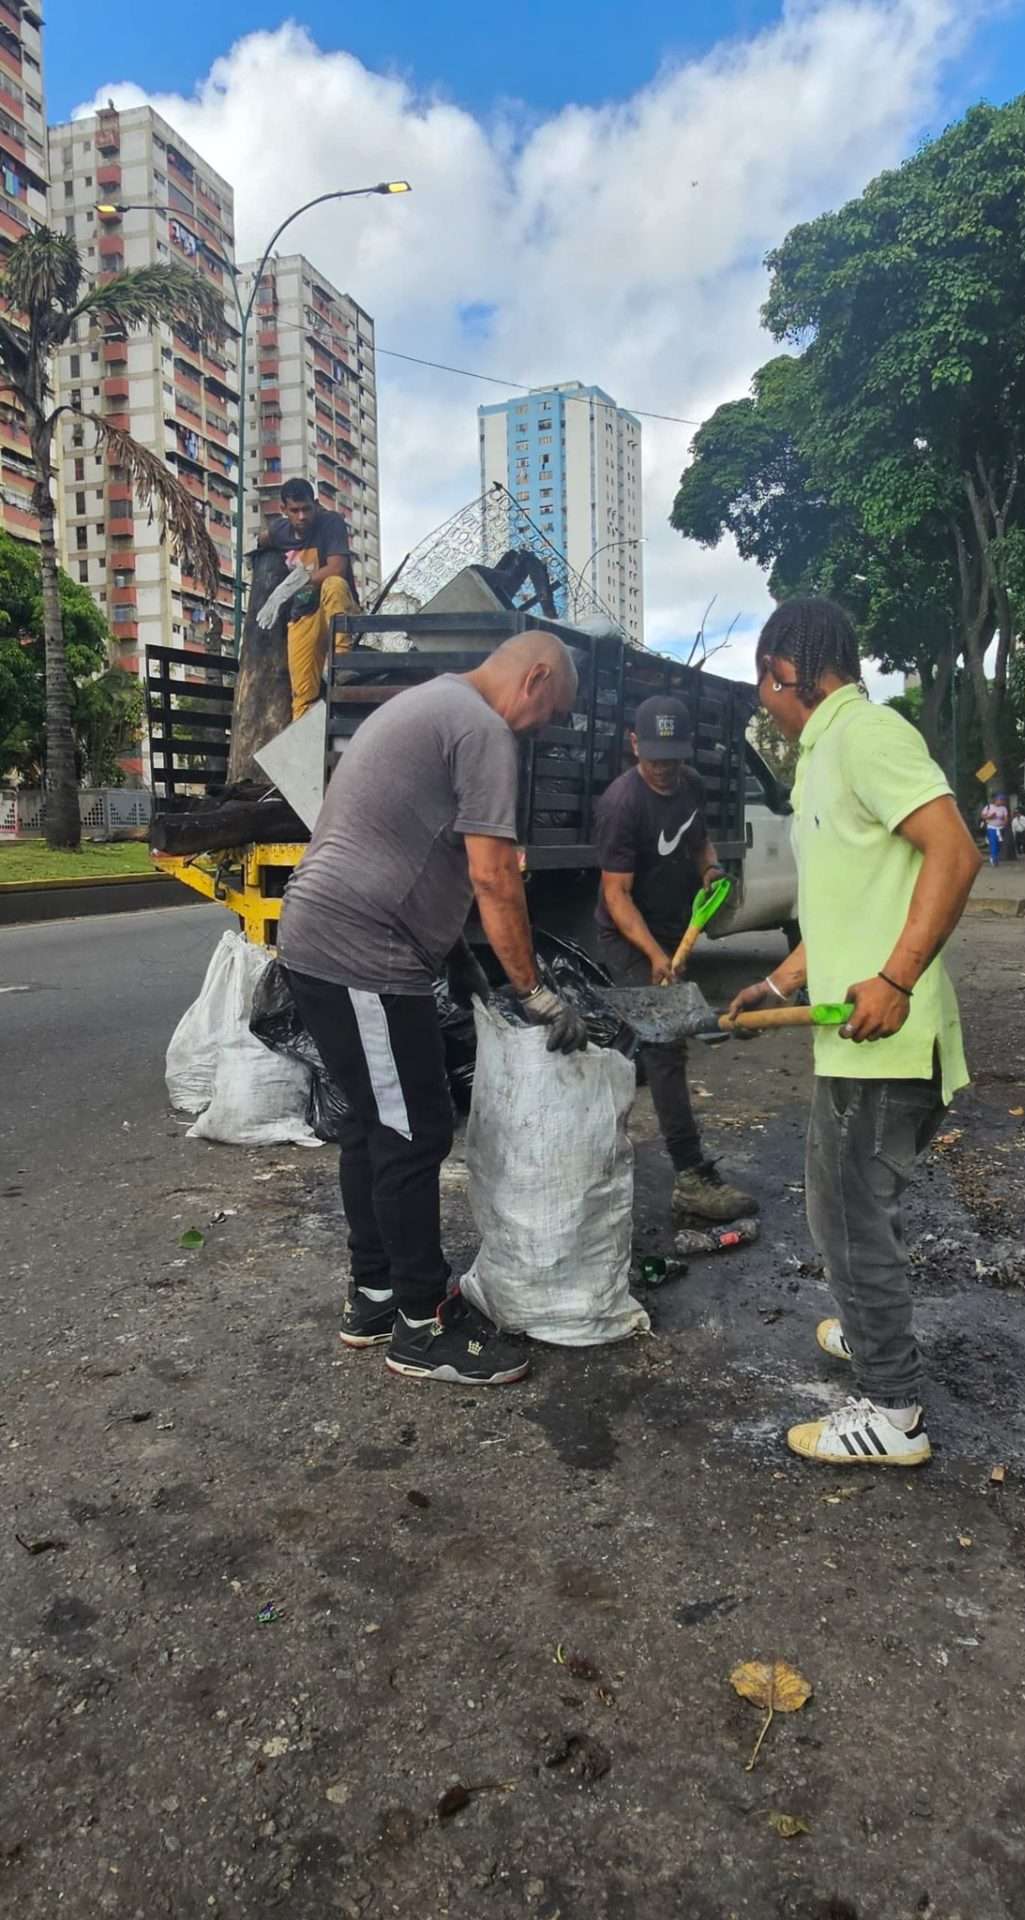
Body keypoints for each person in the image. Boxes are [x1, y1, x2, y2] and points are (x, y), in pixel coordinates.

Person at [278, 631, 587, 1389]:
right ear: (536, 677)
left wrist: (467, 967)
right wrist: (532, 989)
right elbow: (493, 876)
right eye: (549, 714)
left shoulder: (428, 703)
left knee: (370, 1125)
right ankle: (423, 1324)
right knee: (414, 1133)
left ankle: (374, 1296)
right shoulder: (480, 729)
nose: (540, 730)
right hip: (363, 954)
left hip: (324, 941)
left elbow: (417, 848)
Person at [729, 597, 981, 1468]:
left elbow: (954, 851)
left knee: (847, 1220)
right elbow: (841, 906)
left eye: (766, 685)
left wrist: (896, 977)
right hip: (851, 1035)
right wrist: (771, 982)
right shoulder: (820, 757)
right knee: (852, 1213)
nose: (764, 702)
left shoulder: (866, 737)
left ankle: (891, 1411)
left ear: (782, 672)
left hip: (885, 1040)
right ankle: (871, 1330)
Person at [595, 694, 757, 1224]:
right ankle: (690, 1177)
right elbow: (616, 897)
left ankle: (601, 1147)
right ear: (634, 744)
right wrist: (656, 955)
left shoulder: (690, 785)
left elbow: (699, 844)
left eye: (674, 757)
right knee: (665, 1046)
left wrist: (710, 873)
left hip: (673, 928)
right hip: (630, 937)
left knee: (646, 1044)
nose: (664, 768)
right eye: (655, 757)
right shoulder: (622, 803)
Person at [258, 478, 358, 722]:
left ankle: (341, 661)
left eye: (306, 509)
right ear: (284, 510)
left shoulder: (330, 523)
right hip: (303, 613)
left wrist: (289, 587)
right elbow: (261, 540)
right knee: (302, 697)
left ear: (315, 505)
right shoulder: (280, 531)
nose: (302, 516)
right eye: (295, 511)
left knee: (333, 584)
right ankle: (306, 758)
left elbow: (336, 568)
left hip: (334, 607)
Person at [980, 793, 1009, 866]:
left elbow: (1006, 818)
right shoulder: (989, 807)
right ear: (996, 800)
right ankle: (994, 859)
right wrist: (990, 817)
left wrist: (1005, 822)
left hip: (1000, 828)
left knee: (999, 844)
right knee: (994, 843)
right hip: (991, 828)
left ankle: (994, 856)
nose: (1002, 801)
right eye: (1001, 800)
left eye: (1003, 800)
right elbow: (983, 816)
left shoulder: (1003, 808)